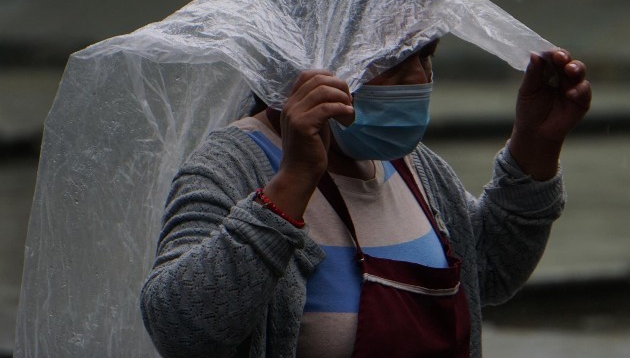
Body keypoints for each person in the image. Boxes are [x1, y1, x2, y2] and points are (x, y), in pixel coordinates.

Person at [140, 36, 591, 358]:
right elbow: (181, 330)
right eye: (393, 58)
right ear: (318, 56)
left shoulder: (415, 167)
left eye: (426, 56)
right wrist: (292, 183)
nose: (418, 78)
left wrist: (535, 145)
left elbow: (487, 269)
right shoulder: (234, 165)